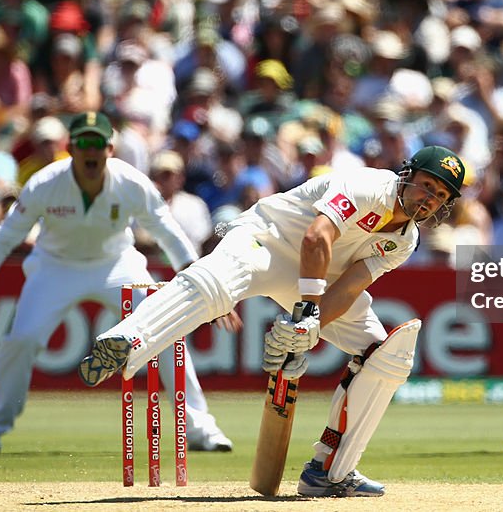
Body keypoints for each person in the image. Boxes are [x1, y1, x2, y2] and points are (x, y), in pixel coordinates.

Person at [79, 145, 467, 497]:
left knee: (384, 355)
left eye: (440, 196)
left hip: (318, 278)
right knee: (213, 284)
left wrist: (309, 329)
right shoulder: (367, 185)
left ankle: (329, 471)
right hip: (265, 241)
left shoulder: (405, 240)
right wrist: (309, 310)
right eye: (426, 185)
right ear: (407, 174)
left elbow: (351, 286)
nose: (428, 199)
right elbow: (317, 237)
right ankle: (128, 338)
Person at [0, 112, 234, 455]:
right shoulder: (45, 183)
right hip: (54, 268)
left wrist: (206, 288)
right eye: (83, 143)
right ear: (70, 148)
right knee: (20, 340)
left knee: (168, 331)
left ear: (110, 149)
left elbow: (169, 234)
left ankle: (200, 427)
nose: (90, 151)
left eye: (97, 143)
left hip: (117, 264)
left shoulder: (131, 182)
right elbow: (3, 238)